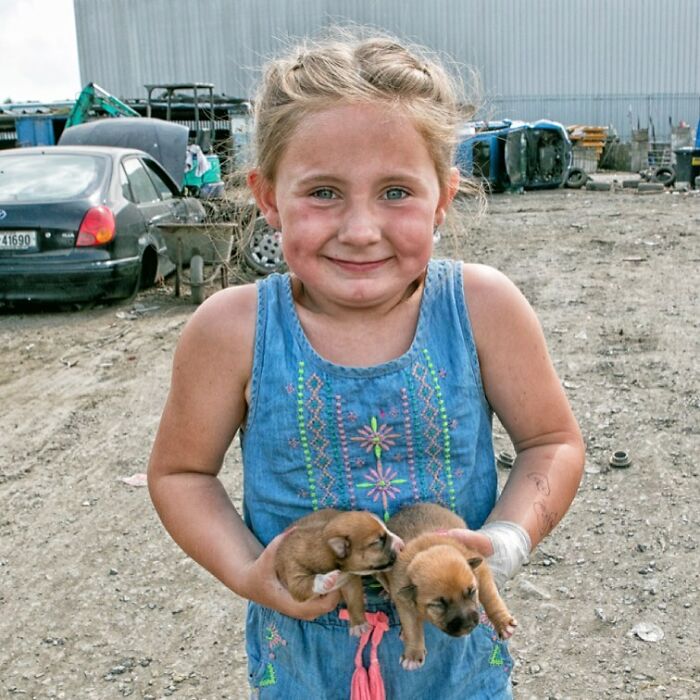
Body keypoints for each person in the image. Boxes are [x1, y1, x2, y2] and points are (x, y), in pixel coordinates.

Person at [147, 28, 585, 699]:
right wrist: (249, 572)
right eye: (322, 192)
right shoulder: (231, 329)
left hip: (456, 665)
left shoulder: (484, 307)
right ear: (267, 197)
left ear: (444, 195)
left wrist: (509, 538)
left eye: (397, 192)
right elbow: (181, 473)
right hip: (304, 667)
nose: (359, 229)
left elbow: (552, 443)